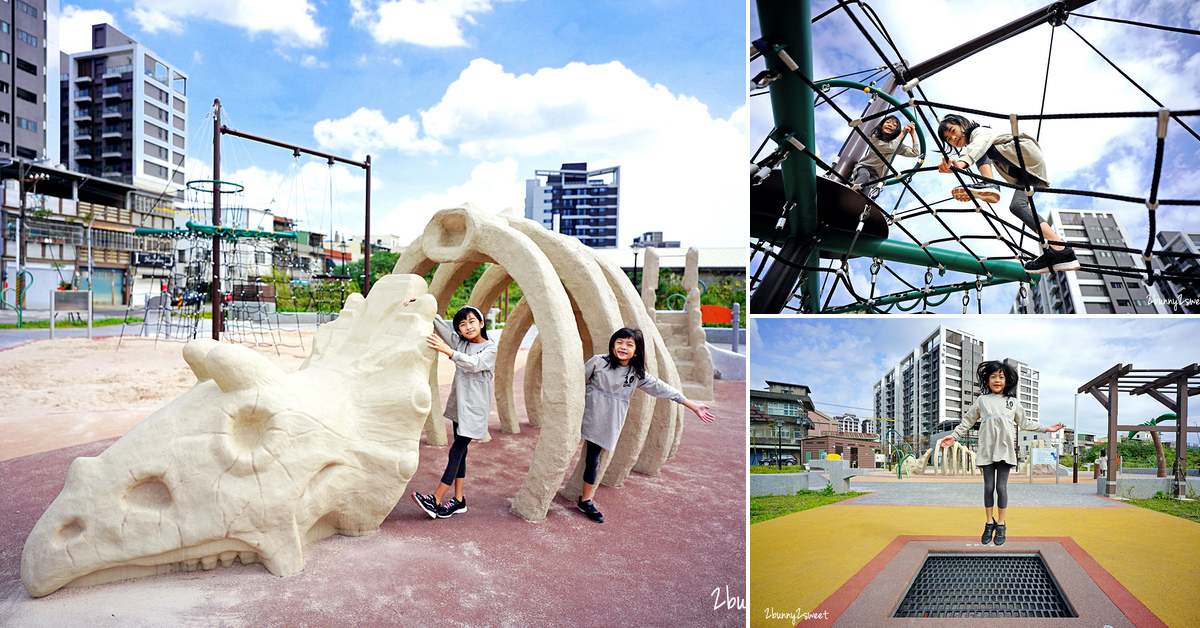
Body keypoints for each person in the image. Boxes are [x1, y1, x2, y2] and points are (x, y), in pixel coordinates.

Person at [576, 328, 716, 523]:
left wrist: (693, 406)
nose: (623, 347)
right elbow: (576, 380)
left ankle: (585, 501)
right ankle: (584, 499)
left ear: (636, 351)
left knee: (593, 459)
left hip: (608, 419)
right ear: (612, 344)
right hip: (587, 410)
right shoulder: (599, 361)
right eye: (619, 342)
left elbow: (663, 388)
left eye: (629, 344)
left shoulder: (636, 374)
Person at [938, 360, 1064, 546]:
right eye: (993, 377)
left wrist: (1046, 428)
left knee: (1001, 487)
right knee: (988, 487)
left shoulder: (1013, 402)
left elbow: (1025, 423)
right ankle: (989, 522)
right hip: (986, 450)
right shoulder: (982, 400)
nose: (997, 380)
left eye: (1001, 377)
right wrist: (954, 436)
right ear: (987, 380)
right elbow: (967, 421)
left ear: (1007, 381)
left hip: (1005, 449)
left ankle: (1002, 523)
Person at [936, 113, 1079, 274]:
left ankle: (990, 183)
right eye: (948, 139)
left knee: (980, 146)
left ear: (963, 124)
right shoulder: (978, 145)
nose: (953, 138)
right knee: (1017, 206)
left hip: (1024, 151)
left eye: (953, 131)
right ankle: (1061, 250)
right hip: (1028, 172)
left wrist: (961, 163)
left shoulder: (979, 132)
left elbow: (979, 145)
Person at [408, 303, 497, 519]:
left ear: (482, 323)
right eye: (461, 324)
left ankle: (436, 499)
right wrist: (422, 302)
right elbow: (442, 327)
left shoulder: (489, 348)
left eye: (471, 321)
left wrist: (449, 352)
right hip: (460, 406)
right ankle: (458, 500)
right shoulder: (460, 343)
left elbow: (474, 363)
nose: (467, 327)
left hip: (474, 410)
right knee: (462, 453)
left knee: (456, 450)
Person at [851, 115, 920, 198]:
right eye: (887, 122)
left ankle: (859, 203)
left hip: (877, 175)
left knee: (868, 185)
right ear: (882, 125)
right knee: (865, 175)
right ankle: (850, 193)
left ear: (896, 130)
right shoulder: (875, 138)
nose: (890, 125)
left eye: (894, 125)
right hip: (865, 167)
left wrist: (912, 135)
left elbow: (915, 153)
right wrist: (903, 132)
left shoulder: (896, 144)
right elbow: (890, 148)